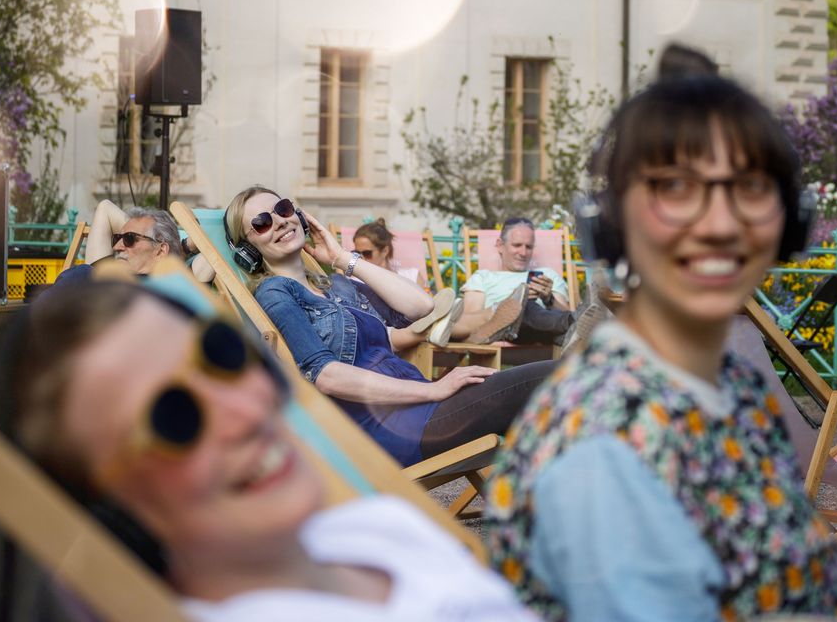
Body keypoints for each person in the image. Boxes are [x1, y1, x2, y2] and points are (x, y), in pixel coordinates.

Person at [483, 72, 837, 620]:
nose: (720, 223)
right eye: (675, 189)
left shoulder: (732, 381)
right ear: (609, 226)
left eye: (750, 187)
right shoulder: (602, 446)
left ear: (789, 222)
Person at [0, 280, 539, 621]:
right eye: (174, 418)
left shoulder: (374, 527)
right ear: (107, 515)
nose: (249, 411)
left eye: (222, 355)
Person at [224, 187, 556, 467]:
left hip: (423, 405)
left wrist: (343, 259)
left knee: (552, 414)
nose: (280, 221)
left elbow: (421, 306)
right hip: (391, 427)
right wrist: (434, 389)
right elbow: (326, 375)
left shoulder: (336, 284)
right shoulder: (276, 293)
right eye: (262, 222)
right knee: (558, 377)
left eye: (282, 209)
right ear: (248, 248)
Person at [449, 218, 606, 350]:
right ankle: (582, 324)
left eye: (529, 247)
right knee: (523, 306)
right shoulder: (483, 277)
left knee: (533, 309)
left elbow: (562, 312)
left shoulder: (548, 274)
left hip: (544, 332)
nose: (523, 253)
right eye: (517, 245)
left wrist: (549, 299)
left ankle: (575, 327)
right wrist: (506, 307)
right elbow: (470, 320)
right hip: (504, 330)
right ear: (500, 245)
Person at [351, 218, 463, 350]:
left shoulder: (411, 274)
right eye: (356, 253)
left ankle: (435, 326)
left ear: (385, 251)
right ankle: (433, 329)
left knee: (449, 318)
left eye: (367, 253)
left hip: (415, 324)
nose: (361, 259)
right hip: (383, 331)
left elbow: (427, 307)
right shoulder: (354, 280)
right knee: (450, 323)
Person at [54, 200, 194, 286]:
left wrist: (184, 247)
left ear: (161, 251)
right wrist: (181, 248)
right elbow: (105, 208)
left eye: (129, 239)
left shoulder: (166, 290)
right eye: (117, 238)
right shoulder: (98, 273)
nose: (116, 246)